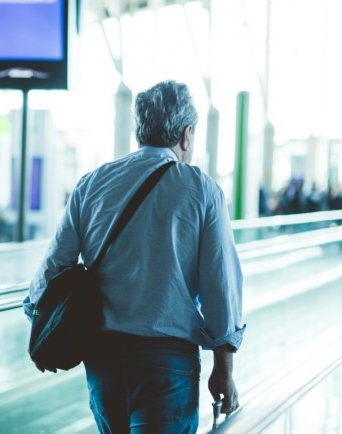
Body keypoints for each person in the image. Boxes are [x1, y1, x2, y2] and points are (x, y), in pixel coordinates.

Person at [24, 81, 245, 433]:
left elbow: (52, 269)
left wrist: (38, 316)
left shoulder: (92, 183)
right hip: (166, 363)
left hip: (103, 358)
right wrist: (224, 368)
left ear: (139, 130)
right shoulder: (202, 190)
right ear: (186, 135)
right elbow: (221, 286)